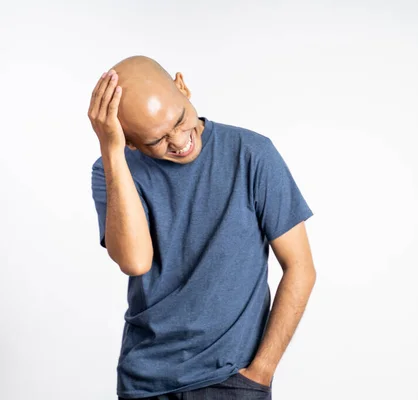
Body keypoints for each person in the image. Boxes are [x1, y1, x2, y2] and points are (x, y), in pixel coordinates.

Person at [89, 55, 316, 400]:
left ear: (183, 87)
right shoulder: (112, 171)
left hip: (231, 381)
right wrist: (112, 150)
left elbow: (300, 268)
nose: (180, 142)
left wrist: (260, 374)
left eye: (180, 121)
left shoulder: (251, 153)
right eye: (157, 140)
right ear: (130, 141)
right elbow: (135, 262)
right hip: (145, 382)